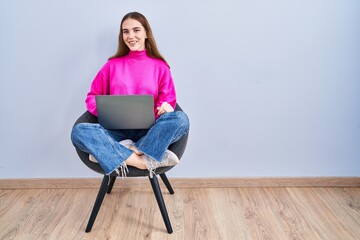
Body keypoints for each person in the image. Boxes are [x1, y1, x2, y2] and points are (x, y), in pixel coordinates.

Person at [71, 12, 190, 177]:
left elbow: (168, 99)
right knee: (79, 132)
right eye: (126, 31)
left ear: (146, 33)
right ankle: (142, 161)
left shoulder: (160, 67)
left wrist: (164, 108)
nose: (131, 36)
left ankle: (119, 152)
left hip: (150, 132)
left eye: (136, 30)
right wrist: (107, 111)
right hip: (116, 132)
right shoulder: (111, 66)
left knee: (181, 120)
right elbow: (92, 96)